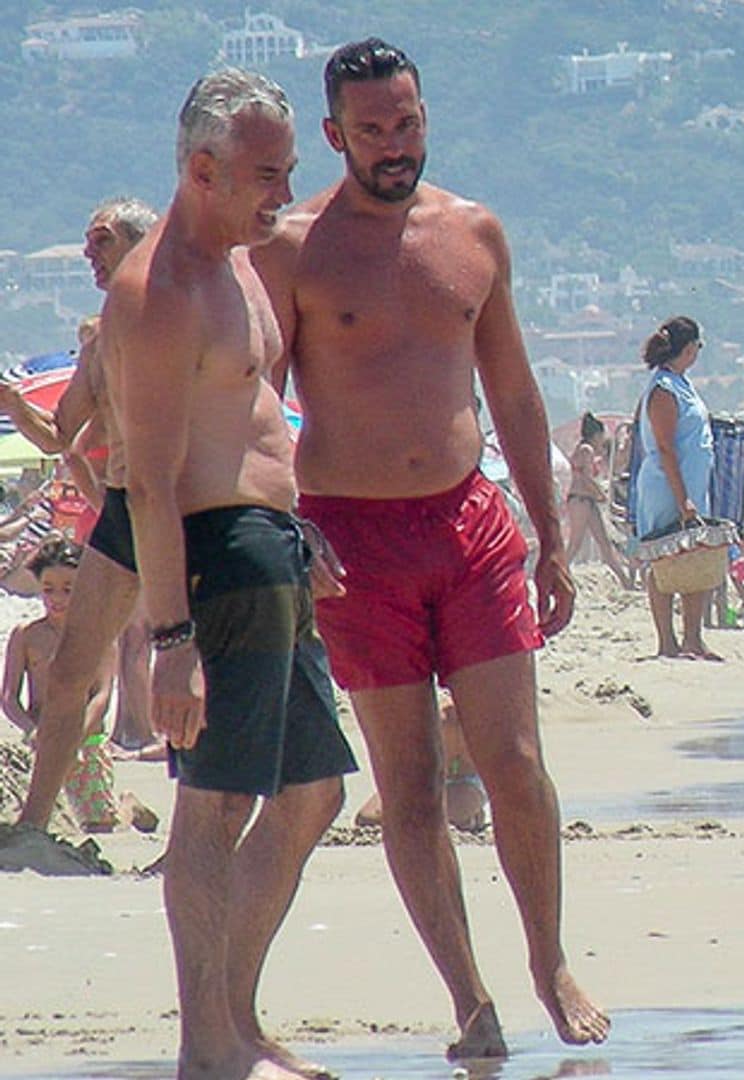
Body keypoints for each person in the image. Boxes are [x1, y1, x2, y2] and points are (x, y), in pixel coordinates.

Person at [251, 39, 606, 1056]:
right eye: (372, 131)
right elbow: (260, 401)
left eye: (406, 123)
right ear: (334, 136)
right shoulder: (293, 246)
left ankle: (548, 960)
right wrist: (288, 522)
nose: (393, 145)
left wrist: (548, 532)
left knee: (515, 761)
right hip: (351, 540)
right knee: (406, 787)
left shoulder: (472, 233)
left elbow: (516, 392)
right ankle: (469, 999)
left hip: (471, 523)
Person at [112, 68, 357, 1080]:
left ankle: (238, 1018)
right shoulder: (161, 293)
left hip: (272, 548)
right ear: (203, 168)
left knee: (311, 794)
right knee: (213, 803)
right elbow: (153, 484)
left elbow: (255, 422)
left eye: (290, 172)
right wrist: (170, 642)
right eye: (267, 174)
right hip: (213, 563)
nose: (284, 194)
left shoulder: (241, 265)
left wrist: (302, 529)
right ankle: (205, 1048)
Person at [0, 197, 164, 795]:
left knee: (184, 661)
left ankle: (195, 836)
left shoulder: (182, 313)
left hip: (182, 502)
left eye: (102, 241)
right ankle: (37, 820)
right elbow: (61, 437)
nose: (89, 255)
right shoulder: (98, 338)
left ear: (139, 245)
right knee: (75, 664)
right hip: (124, 507)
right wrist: (15, 404)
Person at [1, 538, 156, 833]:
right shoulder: (27, 636)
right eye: (48, 590)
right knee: (41, 818)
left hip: (87, 741)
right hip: (41, 738)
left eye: (68, 590)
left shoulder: (99, 637)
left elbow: (101, 695)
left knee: (99, 825)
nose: (57, 598)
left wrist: (74, 736)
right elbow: (9, 697)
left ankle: (128, 807)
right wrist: (31, 729)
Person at [632, 315, 721, 662]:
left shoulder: (682, 384)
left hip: (693, 485)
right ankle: (667, 641)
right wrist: (682, 497)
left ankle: (693, 639)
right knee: (665, 559)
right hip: (667, 486)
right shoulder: (662, 390)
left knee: (696, 555)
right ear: (689, 348)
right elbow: (666, 447)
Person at [355, 692, 488, 833]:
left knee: (437, 817)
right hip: (422, 777)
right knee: (367, 819)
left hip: (469, 781)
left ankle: (468, 814)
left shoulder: (484, 713)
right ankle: (469, 817)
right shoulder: (435, 715)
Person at [563, 412, 636, 590]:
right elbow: (586, 479)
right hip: (580, 500)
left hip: (588, 501)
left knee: (604, 544)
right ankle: (559, 574)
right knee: (575, 543)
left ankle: (626, 582)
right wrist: (601, 494)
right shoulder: (586, 450)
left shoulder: (586, 450)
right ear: (596, 435)